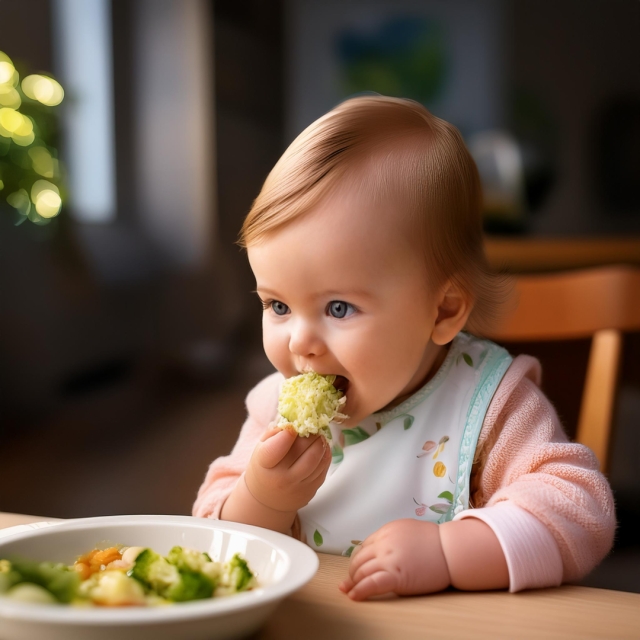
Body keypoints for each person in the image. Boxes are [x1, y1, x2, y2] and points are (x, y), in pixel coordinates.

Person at [193, 96, 615, 601]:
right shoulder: (271, 411)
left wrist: (450, 552)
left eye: (339, 308)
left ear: (442, 312)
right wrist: (262, 498)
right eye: (278, 306)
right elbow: (211, 539)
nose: (299, 342)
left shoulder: (488, 406)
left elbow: (581, 509)